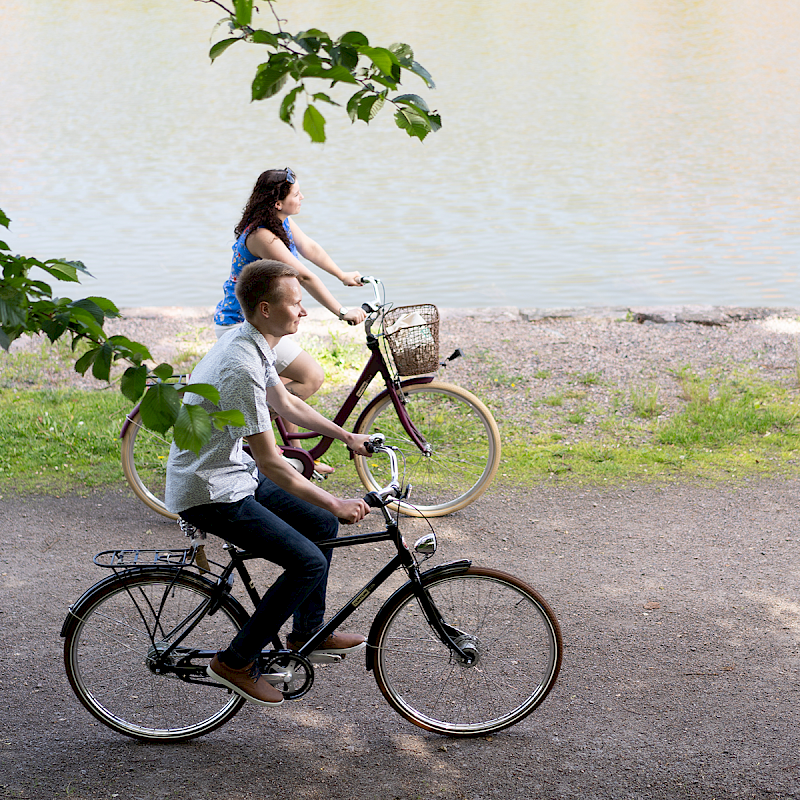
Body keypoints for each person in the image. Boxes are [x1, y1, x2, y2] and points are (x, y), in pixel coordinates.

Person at [168, 259, 372, 707]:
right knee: (308, 562)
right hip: (210, 491)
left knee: (319, 525)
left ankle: (309, 632)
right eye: (296, 304)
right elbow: (274, 464)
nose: (304, 312)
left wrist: (346, 437)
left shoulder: (254, 343)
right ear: (264, 309)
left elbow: (285, 403)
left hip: (231, 473)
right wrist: (335, 500)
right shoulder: (240, 364)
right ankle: (235, 661)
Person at [213, 167, 367, 466]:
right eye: (297, 194)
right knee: (310, 377)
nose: (303, 197)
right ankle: (249, 433)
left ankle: (297, 455)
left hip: (262, 321)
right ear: (277, 203)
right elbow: (304, 275)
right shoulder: (262, 237)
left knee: (283, 383)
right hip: (241, 326)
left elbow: (309, 248)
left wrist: (342, 275)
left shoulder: (280, 223)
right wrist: (340, 311)